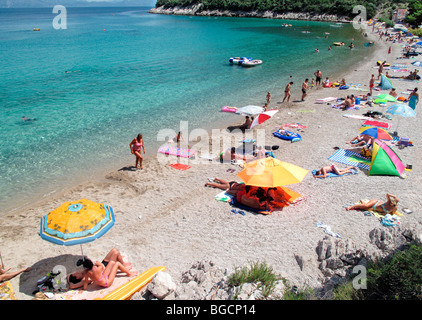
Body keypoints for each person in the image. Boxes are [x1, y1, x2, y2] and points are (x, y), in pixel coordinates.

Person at [67, 248, 132, 290]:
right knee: (116, 253)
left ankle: (121, 262)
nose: (77, 272)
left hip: (102, 265)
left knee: (114, 250)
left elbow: (68, 275)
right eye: (76, 274)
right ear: (77, 278)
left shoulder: (83, 273)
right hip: (104, 268)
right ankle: (123, 264)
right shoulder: (85, 278)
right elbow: (72, 286)